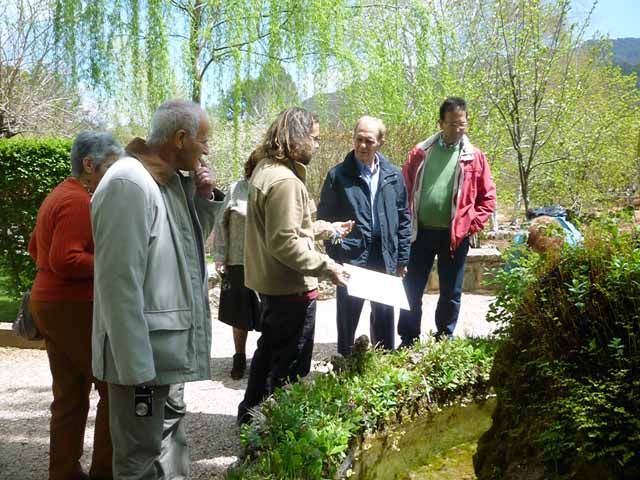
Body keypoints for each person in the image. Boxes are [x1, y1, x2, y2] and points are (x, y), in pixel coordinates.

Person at [91, 100, 224, 479]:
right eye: (203, 141)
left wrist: (203, 198)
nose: (206, 150)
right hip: (144, 362)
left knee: (167, 444)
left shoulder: (165, 181)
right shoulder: (129, 183)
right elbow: (119, 285)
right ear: (180, 138)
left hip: (163, 354)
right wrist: (136, 371)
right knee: (138, 457)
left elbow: (182, 250)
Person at [237, 107, 352, 425]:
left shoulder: (266, 170)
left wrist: (326, 227)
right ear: (296, 138)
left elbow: (283, 230)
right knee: (289, 366)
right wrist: (326, 266)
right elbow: (285, 243)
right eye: (314, 138)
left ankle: (249, 414)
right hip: (291, 288)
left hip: (273, 284)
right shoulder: (285, 181)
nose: (317, 145)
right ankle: (273, 430)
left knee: (268, 352)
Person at [28, 131, 122, 480]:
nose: (114, 174)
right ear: (89, 165)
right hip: (72, 307)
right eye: (109, 166)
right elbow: (65, 259)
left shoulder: (59, 195)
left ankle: (63, 472)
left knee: (69, 396)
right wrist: (113, 263)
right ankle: (104, 472)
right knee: (114, 388)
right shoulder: (79, 201)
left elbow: (34, 249)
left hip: (50, 304)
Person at [398, 97, 496, 344]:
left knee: (451, 292)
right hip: (419, 234)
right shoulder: (420, 153)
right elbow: (403, 189)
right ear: (441, 123)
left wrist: (469, 224)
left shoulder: (475, 158)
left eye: (462, 124)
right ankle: (408, 338)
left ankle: (444, 337)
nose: (457, 129)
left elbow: (488, 199)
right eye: (452, 124)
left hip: (455, 236)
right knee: (412, 287)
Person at [317, 116, 411, 356]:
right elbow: (324, 220)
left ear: (380, 142)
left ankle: (381, 368)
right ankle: (345, 368)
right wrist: (337, 254)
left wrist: (401, 259)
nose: (362, 146)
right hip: (352, 259)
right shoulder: (338, 176)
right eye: (358, 139)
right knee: (348, 321)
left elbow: (403, 218)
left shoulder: (393, 175)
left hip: (384, 259)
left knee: (384, 322)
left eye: (369, 141)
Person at [213, 150, 262, 380]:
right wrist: (220, 256)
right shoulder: (236, 189)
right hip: (238, 261)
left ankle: (264, 359)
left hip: (266, 263)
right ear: (250, 166)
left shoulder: (274, 189)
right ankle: (239, 357)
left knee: (266, 314)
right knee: (239, 315)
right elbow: (221, 223)